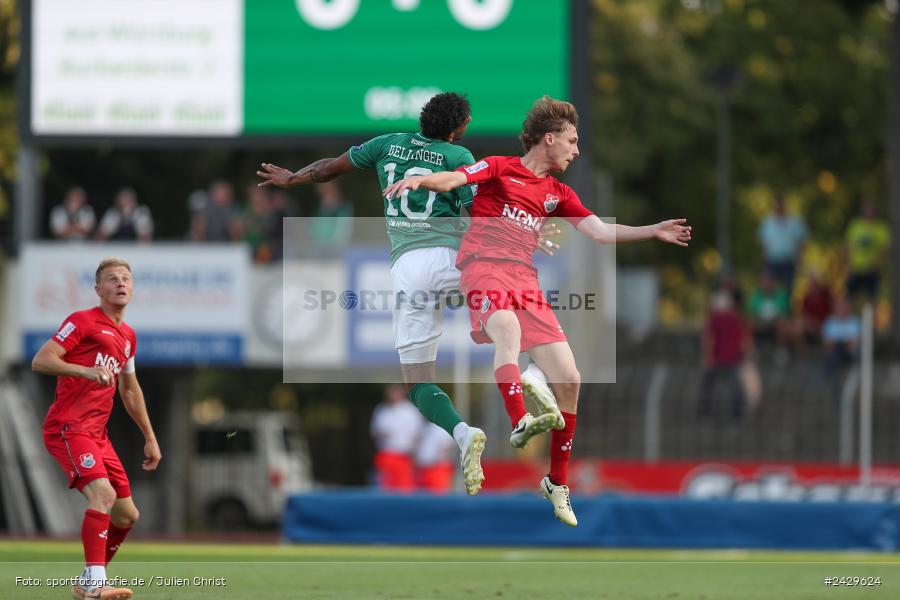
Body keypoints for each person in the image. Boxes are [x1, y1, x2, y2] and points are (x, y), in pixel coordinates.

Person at [383, 95, 691, 526]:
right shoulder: (499, 167)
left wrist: (652, 229)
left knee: (570, 378)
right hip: (483, 268)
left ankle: (556, 483)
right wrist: (423, 181)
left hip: (524, 280)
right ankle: (520, 420)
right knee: (505, 330)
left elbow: (600, 232)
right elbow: (455, 179)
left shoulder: (557, 193)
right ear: (549, 139)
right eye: (572, 140)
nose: (576, 149)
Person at [258, 92, 561, 496]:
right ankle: (532, 373)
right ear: (457, 129)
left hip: (408, 270)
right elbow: (479, 209)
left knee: (417, 381)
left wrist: (293, 177)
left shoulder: (386, 145)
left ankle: (461, 433)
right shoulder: (458, 158)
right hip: (453, 258)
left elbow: (329, 169)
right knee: (510, 304)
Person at [31, 257, 161, 600]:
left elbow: (130, 390)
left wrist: (149, 436)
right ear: (98, 288)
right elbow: (42, 360)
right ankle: (95, 582)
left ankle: (88, 580)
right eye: (112, 278)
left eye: (126, 278)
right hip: (68, 427)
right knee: (103, 495)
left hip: (97, 435)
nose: (120, 283)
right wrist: (84, 371)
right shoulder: (82, 321)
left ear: (132, 288)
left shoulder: (128, 336)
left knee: (127, 514)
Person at [698, 290, 752, 422]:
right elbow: (745, 341)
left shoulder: (715, 319)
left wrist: (706, 357)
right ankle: (736, 417)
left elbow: (708, 339)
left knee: (707, 386)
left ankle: (705, 413)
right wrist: (746, 357)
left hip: (717, 359)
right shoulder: (737, 318)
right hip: (733, 359)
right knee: (735, 388)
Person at [370, 384, 425, 492]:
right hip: (386, 455)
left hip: (404, 457)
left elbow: (418, 434)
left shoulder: (410, 411)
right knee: (385, 488)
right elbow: (374, 431)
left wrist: (415, 453)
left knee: (404, 489)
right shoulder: (382, 410)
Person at [757, 194, 807, 299]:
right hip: (772, 260)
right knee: (771, 287)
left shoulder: (794, 222)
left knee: (789, 288)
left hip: (789, 260)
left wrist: (799, 256)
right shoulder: (767, 223)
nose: (779, 209)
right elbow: (764, 243)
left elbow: (801, 241)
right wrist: (764, 259)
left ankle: (786, 310)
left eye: (781, 206)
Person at [844, 200, 890, 303]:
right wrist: (848, 266)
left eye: (870, 209)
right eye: (866, 209)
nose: (868, 212)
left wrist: (877, 263)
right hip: (856, 267)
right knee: (850, 296)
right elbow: (849, 246)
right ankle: (851, 317)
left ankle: (870, 318)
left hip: (872, 269)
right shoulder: (855, 226)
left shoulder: (880, 228)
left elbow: (884, 249)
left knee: (872, 297)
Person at [308, 180, 354, 254]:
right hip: (319, 244)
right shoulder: (320, 206)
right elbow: (315, 225)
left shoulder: (343, 207)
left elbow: (343, 226)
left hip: (334, 246)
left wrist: (337, 243)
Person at [414, 423, 458, 494]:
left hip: (438, 469)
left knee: (439, 499)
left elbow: (448, 446)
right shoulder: (427, 427)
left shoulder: (444, 427)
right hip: (424, 470)